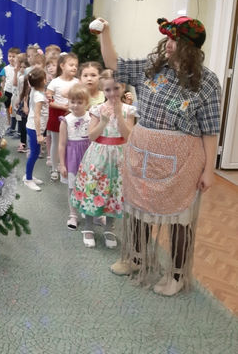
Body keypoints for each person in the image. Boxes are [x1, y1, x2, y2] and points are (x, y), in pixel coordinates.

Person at [97, 16, 221, 296]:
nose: (169, 44)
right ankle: (136, 258)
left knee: (179, 217)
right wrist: (105, 32)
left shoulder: (207, 82)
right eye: (168, 38)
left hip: (183, 161)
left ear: (191, 47)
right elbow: (114, 63)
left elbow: (211, 129)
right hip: (143, 153)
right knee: (137, 208)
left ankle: (176, 275)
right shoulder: (152, 68)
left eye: (176, 40)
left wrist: (209, 170)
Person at [70, 71, 135, 247]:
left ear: (123, 87)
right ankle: (88, 227)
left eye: (116, 88)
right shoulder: (97, 109)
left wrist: (119, 115)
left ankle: (109, 228)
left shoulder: (129, 110)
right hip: (98, 155)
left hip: (119, 156)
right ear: (103, 90)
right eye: (108, 90)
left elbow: (128, 136)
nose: (112, 93)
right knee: (93, 189)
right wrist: (103, 122)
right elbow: (91, 136)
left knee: (114, 191)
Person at [58, 83, 92, 231]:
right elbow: (61, 144)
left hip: (89, 155)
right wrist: (62, 164)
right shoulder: (66, 120)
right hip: (72, 157)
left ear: (87, 103)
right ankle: (73, 214)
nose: (75, 105)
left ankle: (89, 210)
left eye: (79, 102)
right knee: (72, 187)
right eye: (72, 101)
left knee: (90, 185)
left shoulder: (92, 117)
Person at [46, 52, 79, 180]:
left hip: (73, 115)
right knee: (57, 142)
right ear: (62, 66)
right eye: (71, 65)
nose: (74, 68)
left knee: (70, 142)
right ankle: (54, 168)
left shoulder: (77, 82)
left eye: (76, 65)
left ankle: (66, 165)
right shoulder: (55, 82)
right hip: (57, 114)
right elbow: (49, 101)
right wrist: (62, 107)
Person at [22, 67, 48, 191]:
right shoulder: (39, 96)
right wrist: (39, 134)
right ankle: (28, 179)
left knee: (35, 153)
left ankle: (29, 175)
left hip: (34, 127)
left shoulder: (35, 90)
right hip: (34, 128)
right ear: (44, 81)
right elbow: (37, 116)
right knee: (34, 154)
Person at [1, 47, 20, 135]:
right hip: (7, 91)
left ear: (18, 57)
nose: (11, 58)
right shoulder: (5, 69)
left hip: (16, 92)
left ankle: (18, 125)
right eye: (9, 56)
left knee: (16, 109)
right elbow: (3, 81)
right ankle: (9, 123)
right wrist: (2, 91)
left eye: (13, 56)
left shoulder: (19, 68)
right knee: (8, 108)